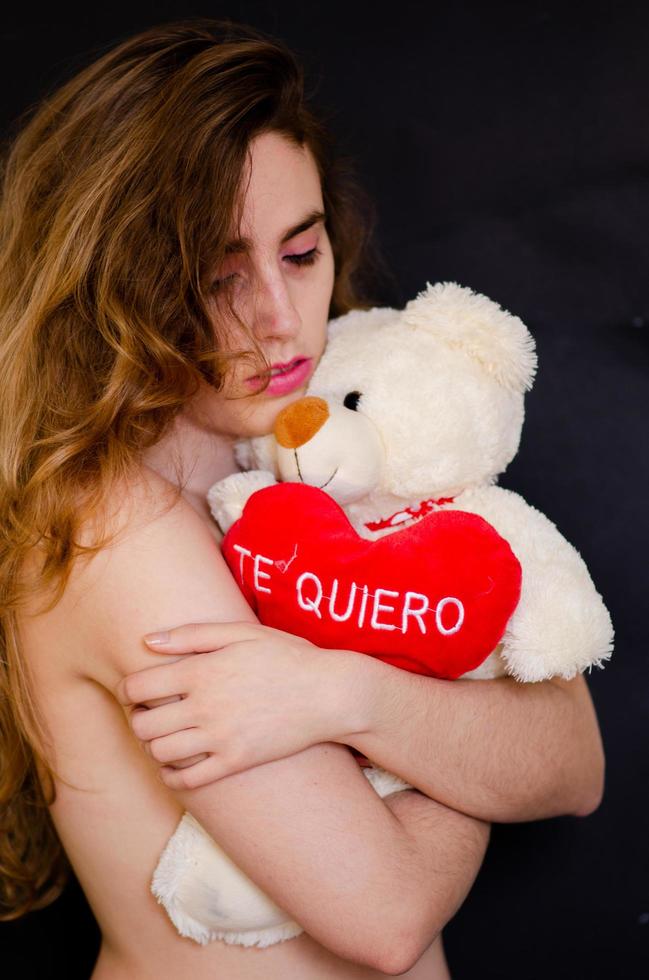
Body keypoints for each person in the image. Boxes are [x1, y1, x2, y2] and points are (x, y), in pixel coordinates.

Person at [0, 18, 605, 979]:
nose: (282, 324)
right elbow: (388, 912)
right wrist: (459, 712)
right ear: (115, 281)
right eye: (216, 274)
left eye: (299, 252)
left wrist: (343, 694)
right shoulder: (120, 531)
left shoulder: (330, 441)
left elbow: (574, 766)